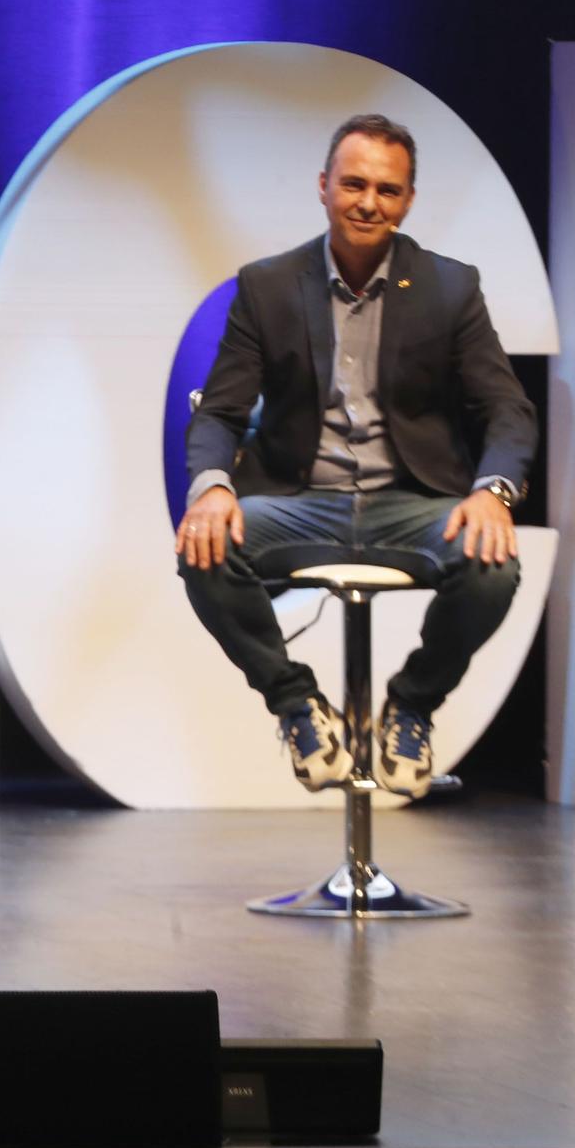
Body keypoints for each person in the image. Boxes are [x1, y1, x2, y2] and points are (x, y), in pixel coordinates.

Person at [177, 114, 532, 799]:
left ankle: (412, 706)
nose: (370, 202)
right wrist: (213, 487)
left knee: (493, 564)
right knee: (205, 547)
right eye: (355, 184)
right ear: (323, 186)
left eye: (388, 190)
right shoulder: (269, 285)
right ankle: (296, 704)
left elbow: (507, 407)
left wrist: (493, 489)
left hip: (413, 503)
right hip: (297, 501)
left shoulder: (450, 287)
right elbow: (220, 411)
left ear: (408, 200)